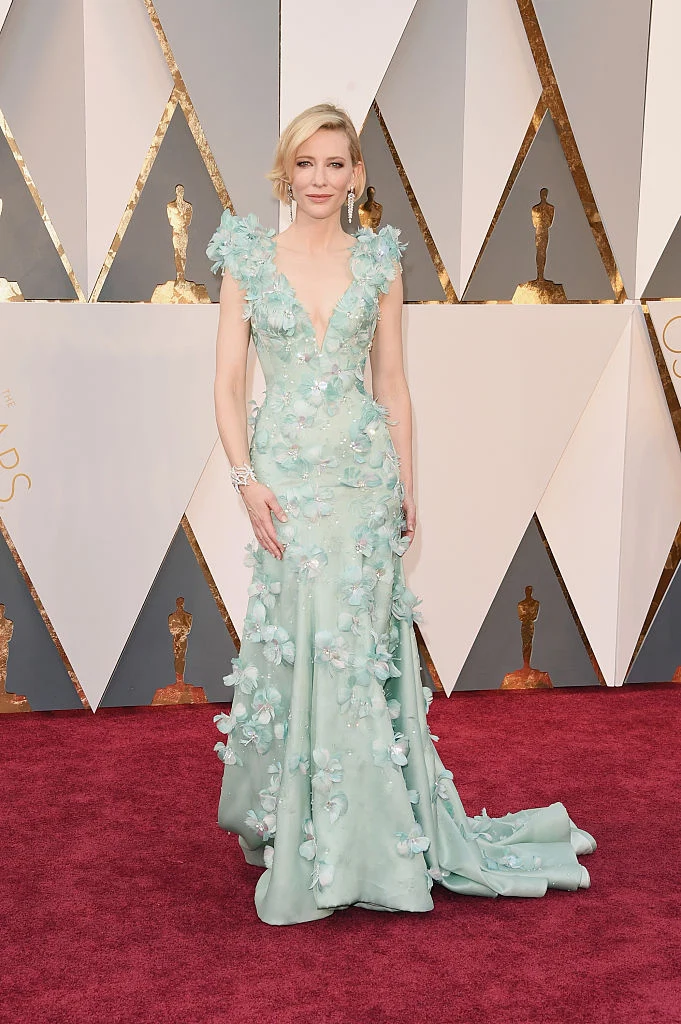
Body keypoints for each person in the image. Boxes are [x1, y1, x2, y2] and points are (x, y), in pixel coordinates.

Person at [206, 102, 596, 926]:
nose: (319, 179)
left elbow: (392, 384)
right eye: (305, 163)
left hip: (361, 478)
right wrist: (244, 480)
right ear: (285, 172)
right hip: (285, 478)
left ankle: (365, 838)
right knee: (300, 639)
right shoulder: (247, 258)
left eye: (334, 163)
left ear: (356, 175)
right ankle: (302, 824)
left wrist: (406, 483)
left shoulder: (378, 263)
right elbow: (228, 384)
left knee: (354, 649)